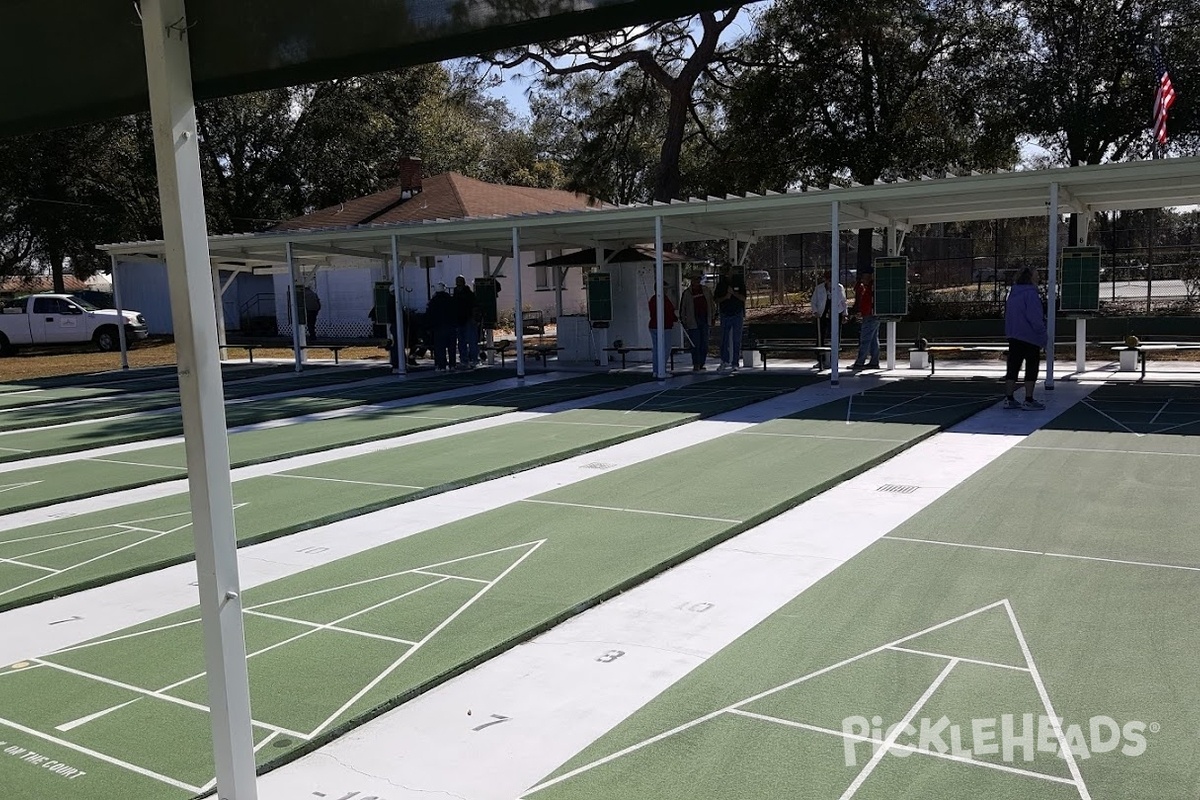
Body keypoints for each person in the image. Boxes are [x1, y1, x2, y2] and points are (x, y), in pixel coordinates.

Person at [1003, 266, 1047, 410]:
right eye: (1036, 275)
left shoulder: (1013, 294)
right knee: (1031, 367)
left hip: (1014, 335)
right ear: (1030, 277)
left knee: (1013, 367)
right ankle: (1028, 399)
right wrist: (1042, 334)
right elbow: (1034, 317)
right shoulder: (1031, 294)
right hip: (1030, 336)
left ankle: (1009, 398)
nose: (1038, 277)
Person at [678, 271, 716, 371]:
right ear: (691, 280)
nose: (697, 281)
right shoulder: (687, 293)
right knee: (695, 344)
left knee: (704, 343)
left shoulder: (706, 290)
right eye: (695, 279)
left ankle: (702, 363)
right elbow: (683, 308)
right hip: (693, 321)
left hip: (705, 320)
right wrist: (684, 320)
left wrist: (712, 317)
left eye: (698, 279)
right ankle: (696, 363)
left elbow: (712, 304)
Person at [810, 271, 848, 369]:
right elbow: (814, 301)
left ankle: (833, 359)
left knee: (835, 336)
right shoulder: (819, 288)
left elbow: (843, 302)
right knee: (820, 337)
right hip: (822, 314)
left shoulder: (839, 287)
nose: (829, 281)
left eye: (831, 279)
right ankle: (820, 360)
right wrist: (815, 311)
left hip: (836, 314)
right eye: (828, 279)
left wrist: (844, 314)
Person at [713, 263, 746, 372]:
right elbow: (716, 299)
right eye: (725, 270)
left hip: (737, 313)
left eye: (729, 270)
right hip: (725, 314)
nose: (727, 273)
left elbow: (743, 298)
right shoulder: (721, 284)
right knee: (724, 339)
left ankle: (735, 362)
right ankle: (724, 361)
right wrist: (725, 297)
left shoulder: (739, 282)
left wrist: (733, 294)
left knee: (736, 339)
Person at [850, 271, 880, 371]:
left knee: (865, 339)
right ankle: (874, 361)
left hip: (870, 315)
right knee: (873, 340)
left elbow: (867, 302)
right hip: (872, 315)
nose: (862, 280)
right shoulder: (868, 287)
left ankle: (860, 361)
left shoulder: (871, 288)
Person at [647, 281, 678, 375]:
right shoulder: (661, 299)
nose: (666, 291)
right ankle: (661, 370)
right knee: (664, 349)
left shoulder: (654, 299)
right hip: (663, 327)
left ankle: (656, 370)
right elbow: (668, 312)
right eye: (665, 288)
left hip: (655, 326)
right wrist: (675, 318)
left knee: (657, 349)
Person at [425, 282, 457, 371]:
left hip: (438, 328)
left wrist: (429, 327)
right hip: (451, 326)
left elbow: (429, 315)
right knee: (452, 347)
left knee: (440, 347)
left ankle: (441, 365)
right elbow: (455, 312)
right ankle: (452, 365)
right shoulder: (450, 299)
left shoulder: (433, 301)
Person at [452, 275, 478, 368]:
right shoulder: (458, 294)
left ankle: (472, 359)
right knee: (463, 341)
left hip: (468, 319)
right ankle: (466, 359)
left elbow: (474, 306)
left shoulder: (467, 294)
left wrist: (473, 318)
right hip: (460, 320)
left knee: (470, 341)